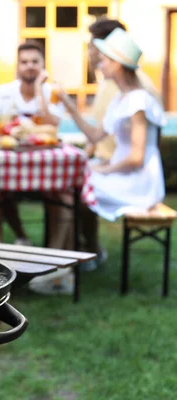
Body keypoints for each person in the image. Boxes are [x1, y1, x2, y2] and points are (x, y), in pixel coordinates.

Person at [60, 28, 166, 268]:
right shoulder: (120, 98)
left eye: (105, 59)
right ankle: (78, 255)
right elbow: (96, 135)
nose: (100, 63)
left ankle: (70, 261)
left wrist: (103, 170)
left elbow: (137, 157)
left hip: (140, 183)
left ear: (118, 64)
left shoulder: (138, 100)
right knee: (72, 186)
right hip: (124, 175)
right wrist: (70, 106)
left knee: (75, 188)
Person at [0, 41, 66, 246]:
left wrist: (39, 88)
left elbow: (53, 124)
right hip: (10, 166)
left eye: (35, 61)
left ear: (43, 65)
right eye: (24, 62)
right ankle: (14, 241)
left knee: (65, 197)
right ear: (18, 67)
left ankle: (56, 256)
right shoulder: (3, 92)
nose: (30, 66)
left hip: (47, 168)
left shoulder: (53, 93)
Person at [85, 18, 162, 165]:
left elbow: (148, 144)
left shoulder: (138, 91)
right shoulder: (110, 83)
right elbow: (100, 133)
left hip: (119, 171)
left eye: (91, 46)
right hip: (108, 165)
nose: (89, 52)